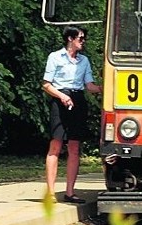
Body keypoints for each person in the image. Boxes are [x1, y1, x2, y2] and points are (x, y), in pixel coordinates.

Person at [42, 26, 101, 204]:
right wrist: (61, 96)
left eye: (83, 39)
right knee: (56, 145)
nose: (83, 42)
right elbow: (46, 84)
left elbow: (89, 85)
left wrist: (105, 88)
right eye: (80, 38)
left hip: (78, 99)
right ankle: (51, 192)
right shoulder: (55, 57)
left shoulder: (84, 61)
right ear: (70, 39)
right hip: (60, 99)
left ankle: (70, 191)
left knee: (74, 146)